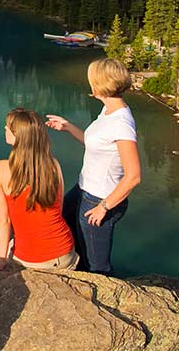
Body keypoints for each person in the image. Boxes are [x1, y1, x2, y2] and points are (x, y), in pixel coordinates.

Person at [46, 58, 141, 275]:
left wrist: (104, 207)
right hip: (83, 189)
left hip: (100, 198)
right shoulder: (109, 111)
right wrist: (68, 127)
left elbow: (134, 176)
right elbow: (99, 144)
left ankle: (98, 301)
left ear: (99, 84)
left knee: (97, 264)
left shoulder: (121, 123)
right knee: (64, 230)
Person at [0, 108, 78, 271]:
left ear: (18, 136)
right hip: (66, 253)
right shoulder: (54, 165)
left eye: (8, 127)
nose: (5, 128)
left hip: (34, 260)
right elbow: (59, 208)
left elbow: (2, 220)